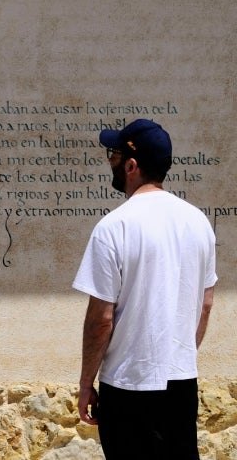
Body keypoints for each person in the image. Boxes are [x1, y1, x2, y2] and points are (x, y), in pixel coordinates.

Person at [74, 119, 217, 459]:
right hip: (182, 384)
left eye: (114, 154)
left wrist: (85, 384)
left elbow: (101, 320)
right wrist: (179, 355)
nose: (110, 161)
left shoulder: (114, 227)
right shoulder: (198, 221)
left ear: (132, 165)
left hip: (128, 385)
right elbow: (206, 304)